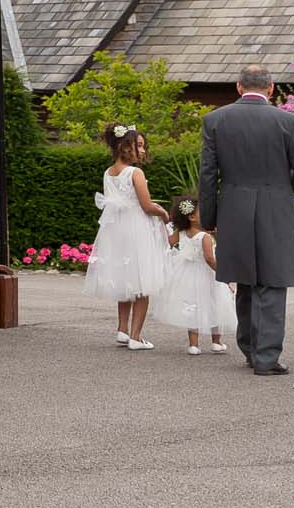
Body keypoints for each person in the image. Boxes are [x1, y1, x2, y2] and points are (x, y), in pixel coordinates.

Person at [197, 66, 294, 375]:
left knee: (246, 279)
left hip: (234, 207)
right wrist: (281, 184)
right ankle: (266, 357)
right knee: (273, 281)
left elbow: (208, 176)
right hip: (275, 205)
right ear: (272, 88)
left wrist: (209, 218)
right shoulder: (287, 121)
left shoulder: (215, 120)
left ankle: (250, 349)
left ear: (239, 87)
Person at [83, 124, 168, 351]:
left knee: (126, 280)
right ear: (125, 146)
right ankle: (136, 337)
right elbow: (147, 205)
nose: (142, 150)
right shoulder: (135, 173)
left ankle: (122, 329)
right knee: (142, 283)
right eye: (138, 145)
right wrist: (164, 212)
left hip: (116, 230)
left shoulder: (108, 173)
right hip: (136, 228)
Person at [151, 197, 231, 356]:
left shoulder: (181, 233)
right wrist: (222, 274)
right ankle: (216, 342)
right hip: (207, 276)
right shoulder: (205, 237)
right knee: (215, 304)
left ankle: (193, 345)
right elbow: (209, 259)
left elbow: (167, 242)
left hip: (186, 275)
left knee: (192, 306)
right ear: (192, 217)